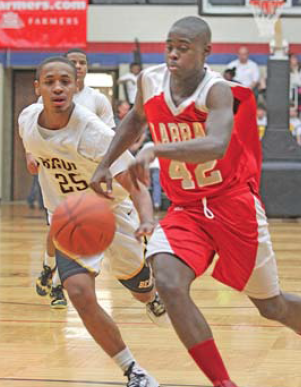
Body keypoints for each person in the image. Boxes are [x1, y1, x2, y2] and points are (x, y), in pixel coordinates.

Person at [90, 16, 301, 387]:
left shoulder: (215, 90)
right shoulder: (149, 80)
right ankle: (223, 383)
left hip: (232, 205)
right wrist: (105, 163)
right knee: (168, 282)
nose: (173, 53)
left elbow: (215, 144)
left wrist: (157, 148)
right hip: (186, 210)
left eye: (183, 48)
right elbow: (135, 120)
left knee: (272, 306)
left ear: (206, 52)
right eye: (169, 45)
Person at [19, 56, 170, 387]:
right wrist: (32, 157)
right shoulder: (27, 120)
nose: (57, 87)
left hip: (113, 212)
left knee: (139, 288)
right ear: (38, 88)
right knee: (78, 291)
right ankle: (133, 370)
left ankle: (151, 294)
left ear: (76, 87)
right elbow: (33, 145)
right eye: (49, 82)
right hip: (71, 219)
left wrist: (147, 219)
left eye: (64, 82)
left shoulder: (95, 133)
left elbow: (137, 185)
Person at [35, 48, 116, 308]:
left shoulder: (98, 100)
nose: (78, 66)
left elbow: (110, 137)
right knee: (56, 230)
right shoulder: (46, 99)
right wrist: (31, 154)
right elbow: (33, 130)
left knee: (71, 232)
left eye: (82, 63)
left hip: (86, 177)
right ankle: (48, 267)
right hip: (57, 173)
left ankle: (58, 285)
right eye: (74, 62)